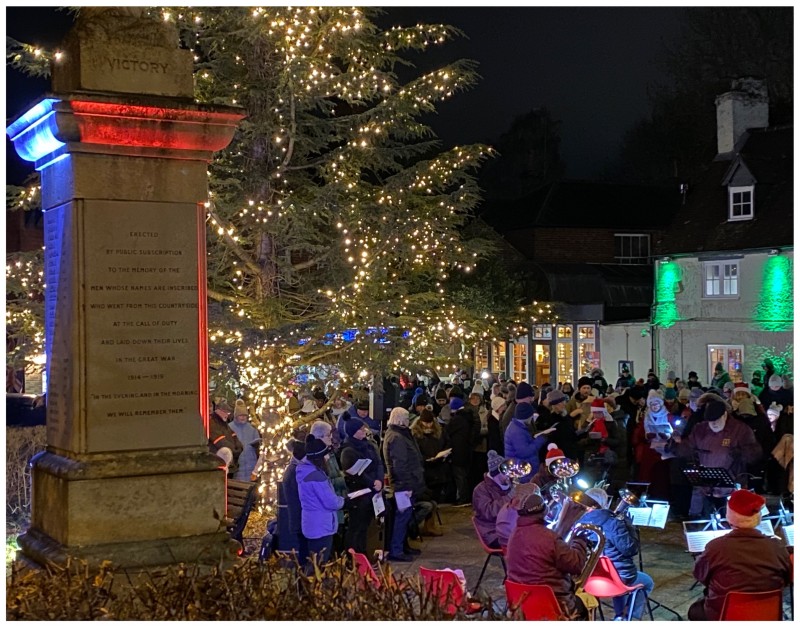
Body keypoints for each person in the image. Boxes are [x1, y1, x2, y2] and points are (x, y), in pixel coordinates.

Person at [688, 489, 791, 621]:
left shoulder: (715, 547)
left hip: (724, 616)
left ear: (729, 515)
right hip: (767, 615)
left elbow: (700, 576)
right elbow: (786, 579)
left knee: (695, 611)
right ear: (758, 517)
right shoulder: (777, 547)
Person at [668, 395, 762, 517]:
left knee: (729, 523)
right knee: (708, 522)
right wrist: (674, 447)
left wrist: (742, 452)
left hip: (732, 487)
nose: (714, 425)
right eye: (711, 422)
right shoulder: (700, 429)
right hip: (707, 488)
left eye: (717, 421)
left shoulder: (740, 429)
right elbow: (688, 447)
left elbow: (756, 454)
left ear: (724, 415)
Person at [506, 492, 591, 620]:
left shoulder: (513, 535)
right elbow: (576, 565)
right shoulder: (550, 538)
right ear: (544, 511)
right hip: (555, 604)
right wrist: (580, 540)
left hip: (522, 603)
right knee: (589, 601)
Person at [579, 488, 654, 620]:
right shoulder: (613, 522)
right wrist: (630, 527)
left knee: (616, 575)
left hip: (589, 579)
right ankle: (625, 617)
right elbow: (631, 550)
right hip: (616, 579)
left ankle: (620, 615)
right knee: (647, 582)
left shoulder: (579, 522)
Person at [382, 407, 429, 562]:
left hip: (407, 484)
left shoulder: (399, 435)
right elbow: (399, 465)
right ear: (400, 419)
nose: (409, 421)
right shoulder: (397, 438)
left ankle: (403, 546)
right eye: (407, 418)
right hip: (404, 486)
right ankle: (397, 549)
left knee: (405, 517)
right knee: (402, 518)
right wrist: (406, 486)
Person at [296, 434, 346, 567]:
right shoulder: (317, 477)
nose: (327, 458)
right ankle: (312, 587)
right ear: (319, 457)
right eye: (325, 455)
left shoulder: (305, 471)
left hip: (311, 523)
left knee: (313, 561)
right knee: (318, 565)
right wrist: (344, 501)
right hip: (321, 526)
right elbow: (331, 502)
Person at [339, 417, 384, 555]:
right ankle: (352, 555)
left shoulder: (369, 445)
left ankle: (363, 553)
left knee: (365, 526)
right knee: (356, 526)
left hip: (373, 492)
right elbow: (357, 473)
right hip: (359, 493)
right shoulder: (348, 451)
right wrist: (372, 483)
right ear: (353, 432)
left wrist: (379, 480)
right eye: (360, 429)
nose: (364, 430)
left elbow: (378, 463)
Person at [471, 450, 513, 548]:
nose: (509, 475)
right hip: (493, 532)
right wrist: (510, 497)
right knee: (526, 541)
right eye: (505, 472)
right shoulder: (480, 490)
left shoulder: (511, 484)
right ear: (496, 474)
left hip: (510, 528)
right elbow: (489, 512)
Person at [276, 436, 307, 564]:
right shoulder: (295, 471)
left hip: (298, 516)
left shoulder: (293, 469)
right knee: (304, 549)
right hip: (299, 516)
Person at [503, 403, 554, 481]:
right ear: (526, 416)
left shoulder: (518, 427)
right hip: (523, 473)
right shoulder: (517, 431)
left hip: (525, 470)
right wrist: (541, 439)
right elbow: (524, 452)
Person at [411, 408, 451, 502]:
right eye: (426, 423)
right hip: (425, 469)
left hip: (439, 468)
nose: (429, 425)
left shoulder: (440, 431)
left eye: (430, 423)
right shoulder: (415, 435)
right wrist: (426, 459)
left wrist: (444, 454)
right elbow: (415, 452)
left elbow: (447, 443)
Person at [446, 397, 476, 504]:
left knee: (459, 476)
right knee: (464, 475)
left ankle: (463, 498)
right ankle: (465, 497)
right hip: (466, 450)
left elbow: (447, 431)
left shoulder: (457, 419)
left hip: (458, 451)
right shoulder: (468, 417)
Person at [208, 399, 243, 476]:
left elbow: (233, 435)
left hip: (229, 462)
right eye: (226, 412)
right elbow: (220, 441)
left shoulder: (224, 423)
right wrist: (234, 450)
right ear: (218, 411)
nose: (227, 415)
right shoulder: (213, 423)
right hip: (221, 461)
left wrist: (239, 446)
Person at [229, 399, 261, 481]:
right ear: (236, 416)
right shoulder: (230, 428)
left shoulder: (252, 428)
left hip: (251, 465)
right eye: (240, 415)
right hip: (238, 466)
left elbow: (258, 446)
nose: (243, 417)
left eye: (245, 415)